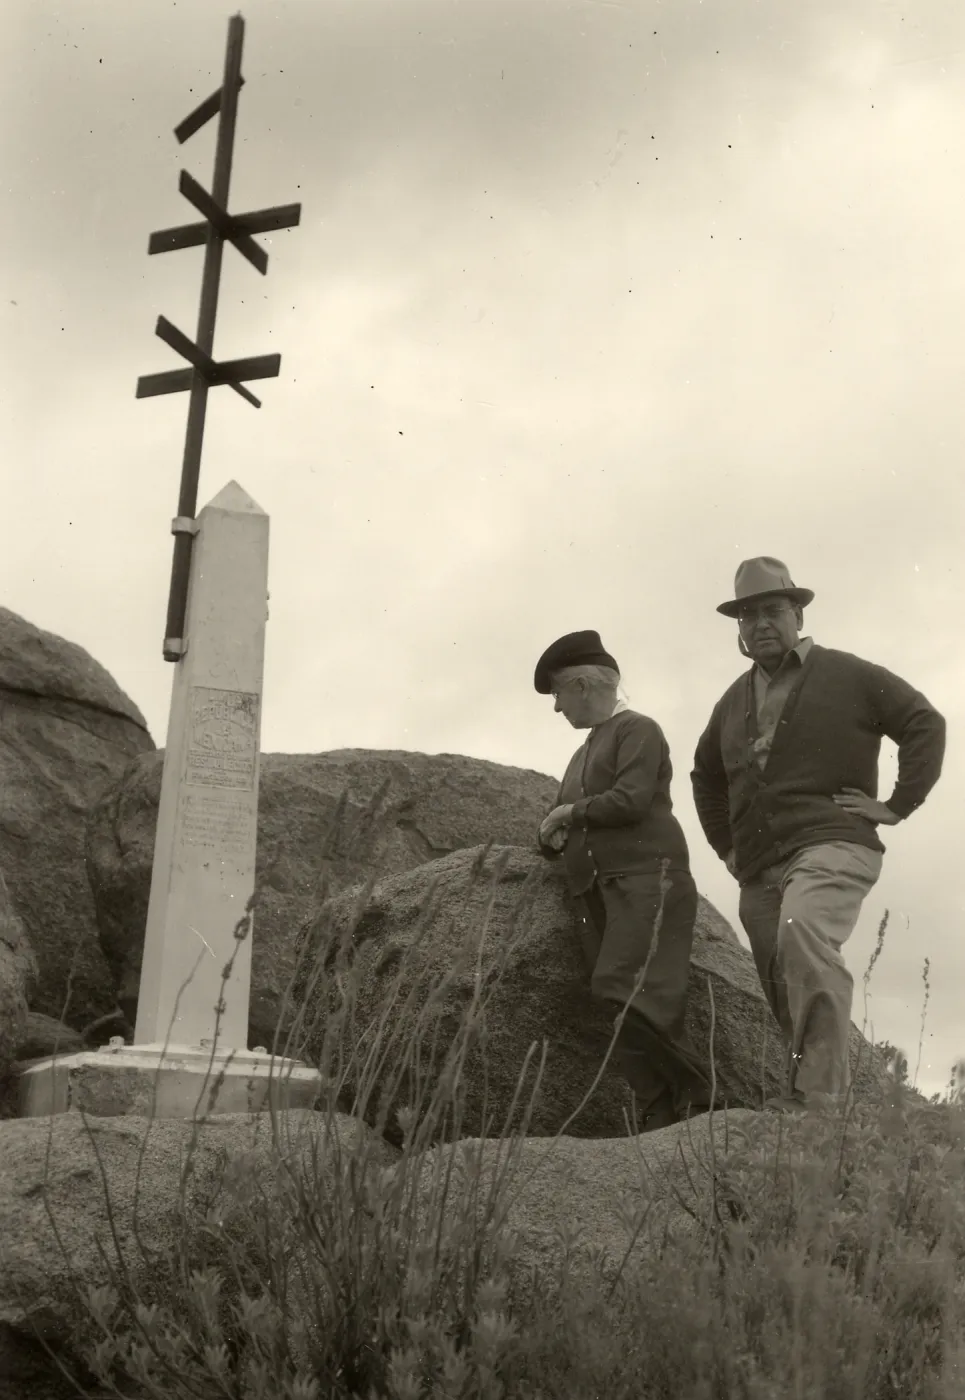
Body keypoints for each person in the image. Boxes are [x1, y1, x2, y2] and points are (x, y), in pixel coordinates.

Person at [691, 557, 946, 1114]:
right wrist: (727, 848)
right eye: (747, 614)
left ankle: (822, 1106)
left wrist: (897, 805)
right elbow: (704, 777)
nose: (760, 623)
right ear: (738, 627)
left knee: (800, 929)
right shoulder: (731, 702)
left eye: (773, 610)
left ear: (798, 612)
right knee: (779, 972)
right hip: (759, 864)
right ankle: (807, 1097)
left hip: (834, 841)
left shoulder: (848, 674)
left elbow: (924, 722)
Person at [534, 629, 713, 1132]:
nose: (556, 708)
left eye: (557, 695)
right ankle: (657, 1107)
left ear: (585, 686)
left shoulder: (639, 729)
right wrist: (550, 834)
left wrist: (571, 811)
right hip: (595, 889)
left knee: (628, 988)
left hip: (645, 878)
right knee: (613, 998)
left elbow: (631, 800)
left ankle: (699, 1093)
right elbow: (560, 819)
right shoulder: (579, 754)